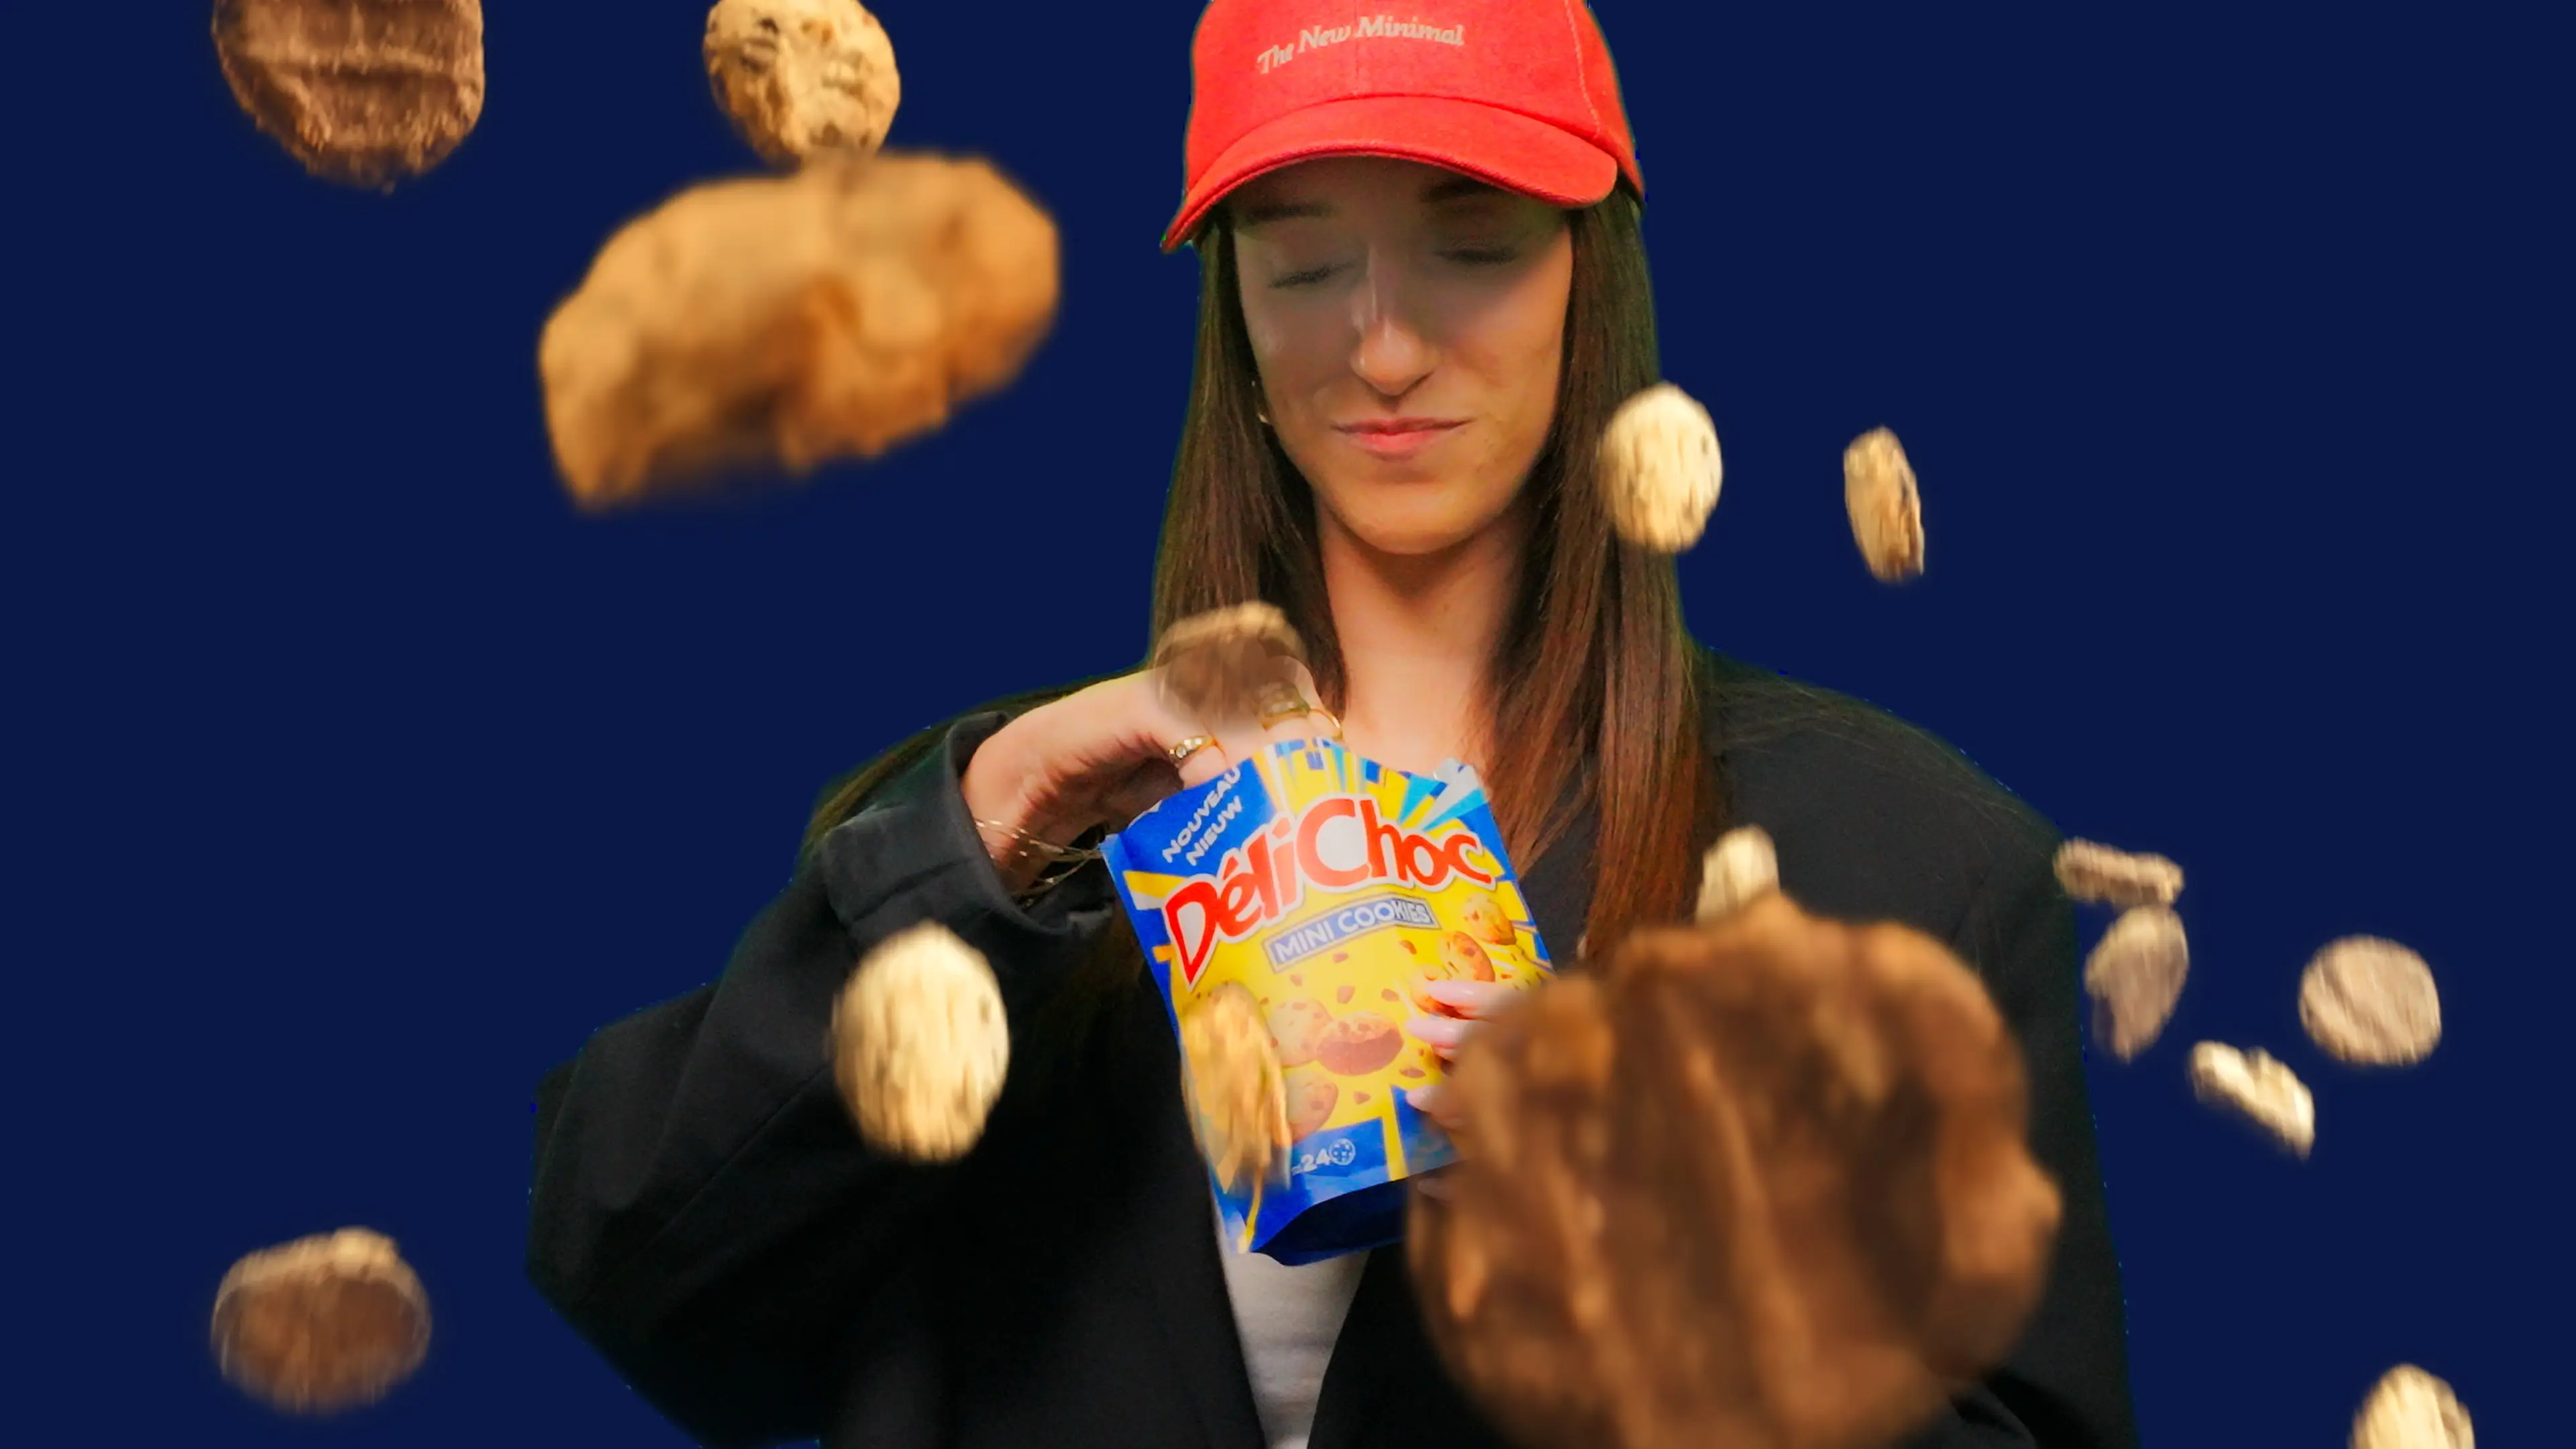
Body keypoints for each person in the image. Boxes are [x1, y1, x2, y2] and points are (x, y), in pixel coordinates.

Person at [523, 2, 2140, 1445]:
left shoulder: (1905, 865)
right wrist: (978, 835)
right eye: (1301, 260)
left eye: (1474, 240)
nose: (1379, 342)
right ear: (1233, 310)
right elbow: (641, 1275)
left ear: (1596, 271)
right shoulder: (1012, 850)